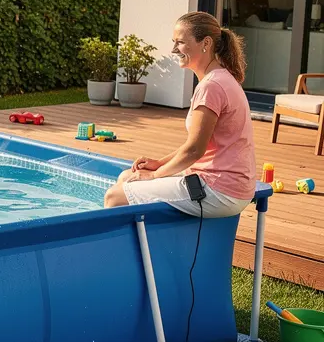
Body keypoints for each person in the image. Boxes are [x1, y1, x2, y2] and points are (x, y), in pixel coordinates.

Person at [103, 12, 256, 218]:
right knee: (126, 177)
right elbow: (196, 146)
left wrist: (155, 175)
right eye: (174, 42)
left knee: (114, 197)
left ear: (206, 43)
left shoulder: (212, 86)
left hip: (219, 190)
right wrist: (159, 163)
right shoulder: (219, 79)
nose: (174, 49)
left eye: (181, 42)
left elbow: (194, 150)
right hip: (224, 184)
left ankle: (121, 250)